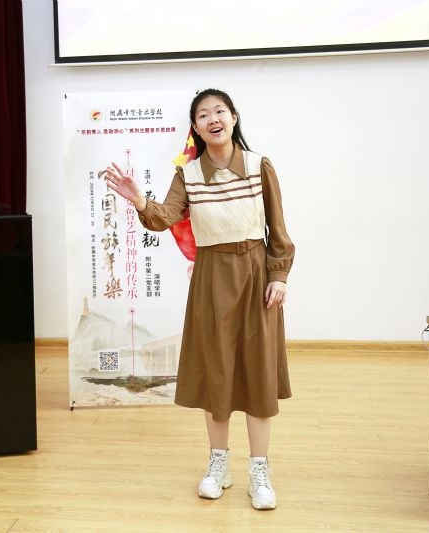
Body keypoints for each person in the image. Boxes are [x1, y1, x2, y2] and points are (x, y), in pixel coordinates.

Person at [103, 89, 294, 510]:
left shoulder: (259, 165)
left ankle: (259, 470)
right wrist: (139, 199)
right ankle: (219, 465)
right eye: (203, 115)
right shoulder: (187, 175)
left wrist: (279, 275)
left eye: (219, 111)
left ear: (234, 117)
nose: (213, 119)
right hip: (211, 278)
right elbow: (164, 217)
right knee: (217, 373)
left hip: (256, 274)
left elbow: (278, 229)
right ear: (195, 127)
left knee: (258, 373)